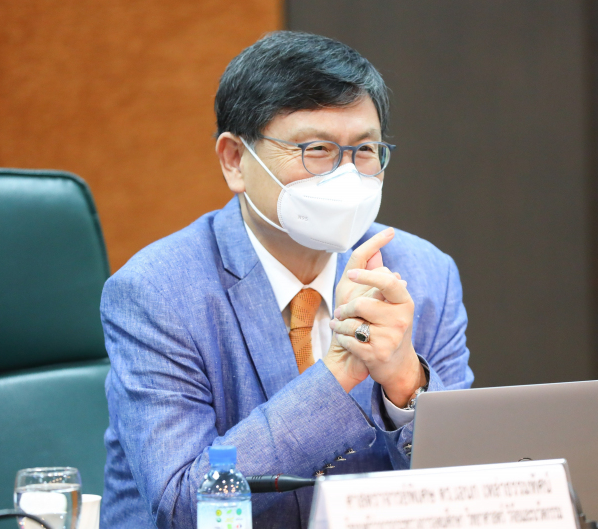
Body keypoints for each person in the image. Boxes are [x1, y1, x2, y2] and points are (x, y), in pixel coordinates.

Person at [100, 31, 474, 528]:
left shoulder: (425, 273)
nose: (346, 175)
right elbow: (186, 507)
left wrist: (407, 383)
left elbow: (466, 492)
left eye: (365, 150)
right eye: (316, 149)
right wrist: (338, 374)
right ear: (235, 160)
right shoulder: (157, 292)